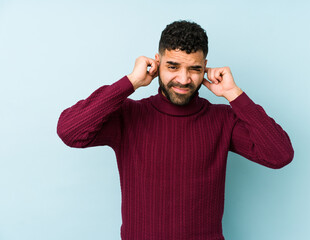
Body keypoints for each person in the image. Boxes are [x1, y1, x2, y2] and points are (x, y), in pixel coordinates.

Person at [57, 20, 294, 240]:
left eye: (194, 69)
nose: (183, 79)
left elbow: (279, 155)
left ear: (205, 69)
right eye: (173, 66)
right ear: (157, 63)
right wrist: (130, 82)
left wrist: (234, 94)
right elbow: (70, 131)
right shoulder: (128, 116)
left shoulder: (223, 120)